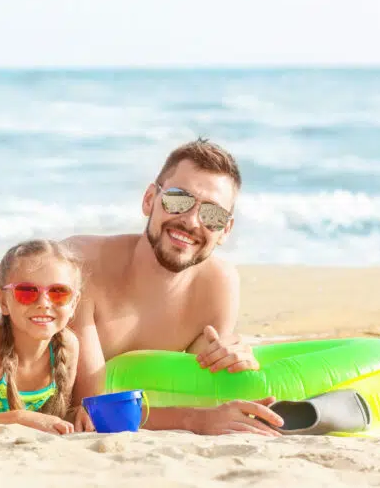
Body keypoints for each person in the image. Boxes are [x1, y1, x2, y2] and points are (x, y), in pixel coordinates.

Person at [66, 138, 283, 435]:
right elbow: (88, 409)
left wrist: (233, 353)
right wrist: (194, 420)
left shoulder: (218, 284)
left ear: (225, 231)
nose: (192, 221)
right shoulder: (82, 264)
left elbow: (202, 383)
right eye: (178, 199)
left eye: (212, 215)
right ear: (149, 200)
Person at [0, 239, 80, 435]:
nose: (44, 303)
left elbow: (60, 417)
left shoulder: (68, 345)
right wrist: (20, 418)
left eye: (58, 292)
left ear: (74, 304)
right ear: (3, 300)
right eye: (27, 291)